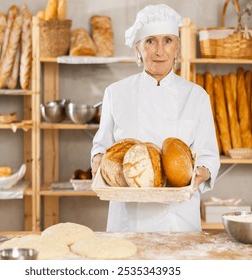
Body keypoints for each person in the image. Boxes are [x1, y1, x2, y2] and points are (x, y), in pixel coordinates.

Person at [91, 4, 220, 232]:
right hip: (129, 219)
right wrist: (98, 159)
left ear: (177, 48)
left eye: (168, 40)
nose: (160, 51)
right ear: (138, 49)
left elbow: (208, 154)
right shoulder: (115, 93)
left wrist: (201, 172)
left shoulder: (197, 96)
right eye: (150, 41)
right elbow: (102, 145)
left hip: (178, 219)